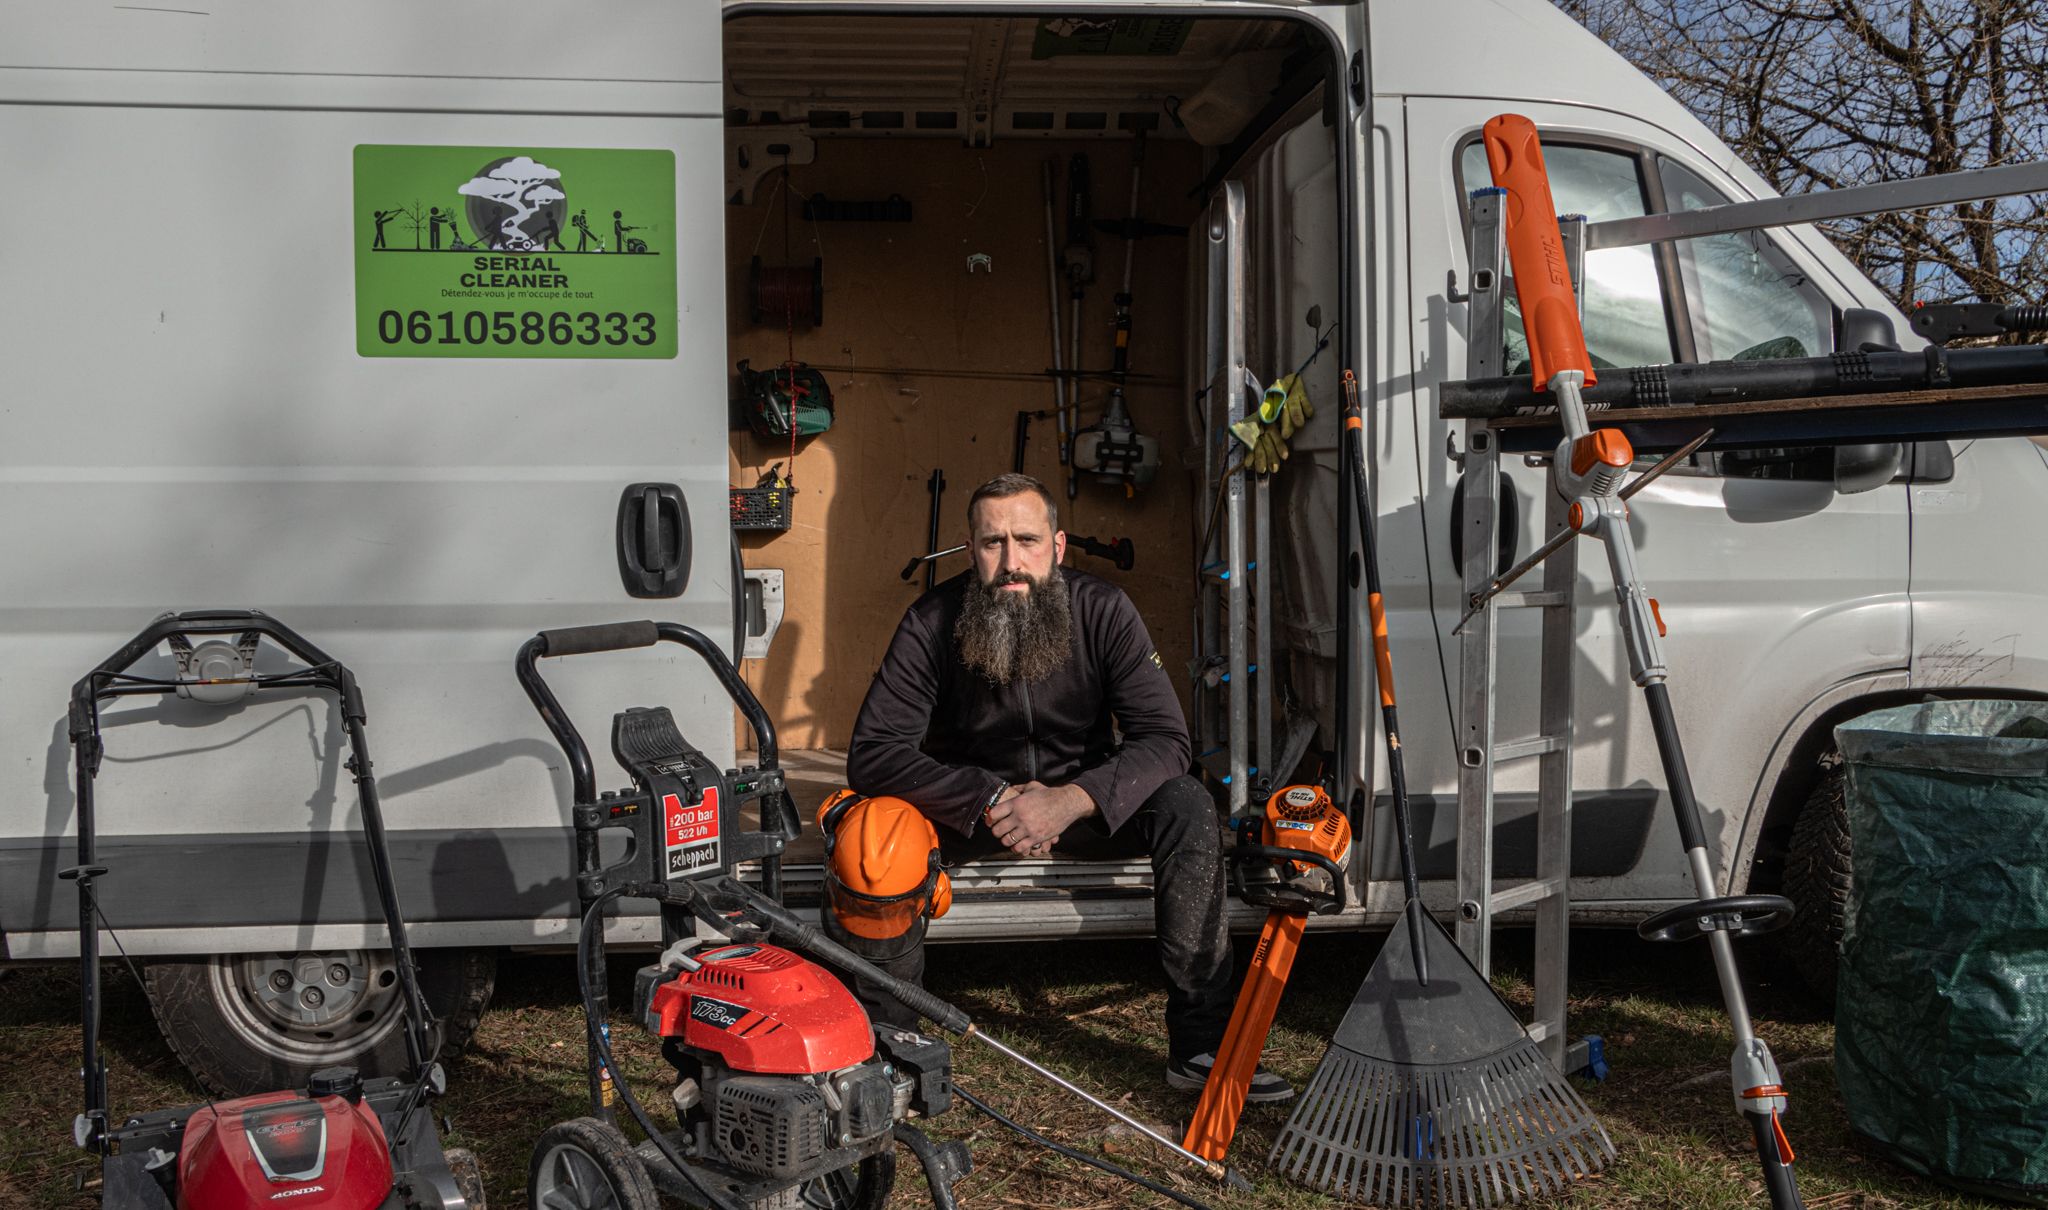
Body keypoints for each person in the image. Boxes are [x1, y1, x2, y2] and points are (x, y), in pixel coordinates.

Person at [836, 472, 1291, 1101]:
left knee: (1187, 802)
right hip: (973, 813)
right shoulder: (932, 621)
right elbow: (873, 753)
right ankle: (891, 1054)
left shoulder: (1103, 610)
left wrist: (1071, 799)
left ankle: (1200, 1043)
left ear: (1057, 545)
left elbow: (1166, 739)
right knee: (873, 832)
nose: (1011, 562)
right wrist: (987, 798)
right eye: (993, 543)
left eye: (1026, 540)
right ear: (971, 552)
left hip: (1083, 806)